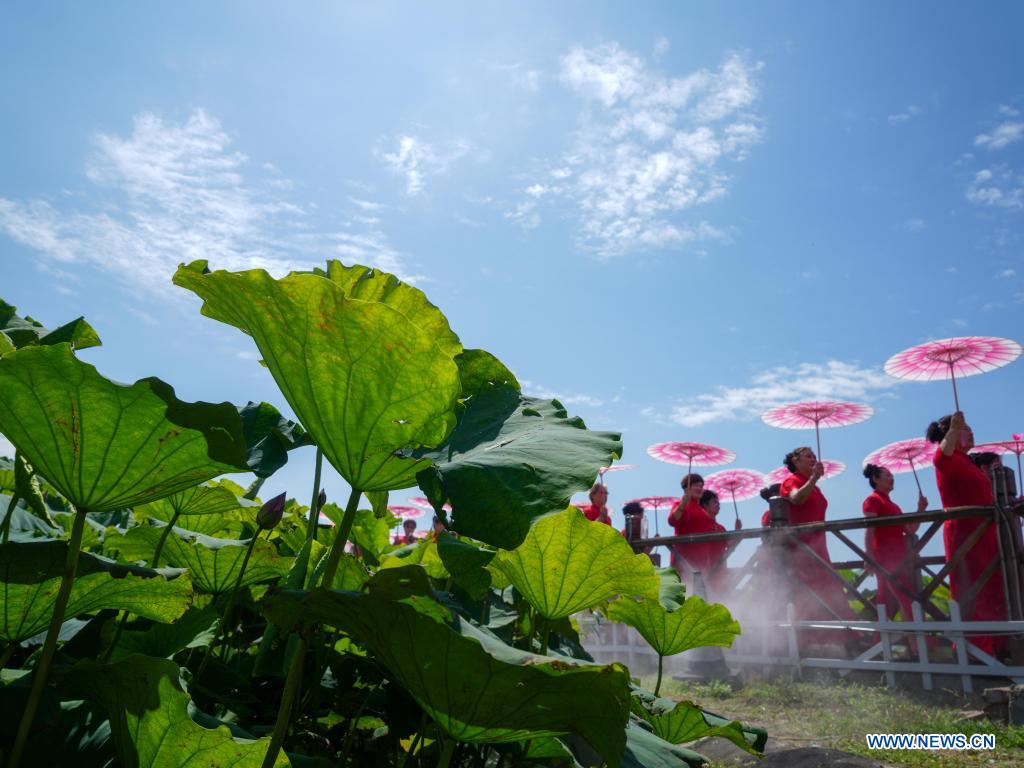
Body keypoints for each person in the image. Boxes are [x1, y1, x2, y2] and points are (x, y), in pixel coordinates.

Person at [927, 411, 1007, 656]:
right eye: (965, 428)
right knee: (971, 590)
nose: (970, 432)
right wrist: (953, 428)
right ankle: (974, 651)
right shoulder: (947, 459)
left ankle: (995, 646)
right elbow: (941, 456)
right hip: (965, 534)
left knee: (992, 587)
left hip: (984, 532)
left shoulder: (967, 461)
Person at [779, 447, 855, 637]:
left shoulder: (815, 486)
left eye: (814, 456)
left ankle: (841, 639)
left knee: (830, 591)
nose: (813, 458)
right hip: (801, 549)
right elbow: (796, 499)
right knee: (809, 595)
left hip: (819, 547)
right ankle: (812, 642)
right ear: (796, 462)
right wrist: (814, 479)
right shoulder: (791, 481)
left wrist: (813, 481)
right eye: (808, 456)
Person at [862, 464, 924, 622]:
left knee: (886, 603)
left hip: (897, 558)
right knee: (905, 600)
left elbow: (910, 530)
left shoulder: (894, 505)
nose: (892, 478)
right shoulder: (872, 500)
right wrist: (868, 556)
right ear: (876, 479)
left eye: (892, 476)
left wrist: (920, 509)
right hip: (885, 558)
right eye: (887, 475)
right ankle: (918, 644)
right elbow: (869, 529)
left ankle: (879, 642)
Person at [668, 474, 722, 581]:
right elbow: (672, 520)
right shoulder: (679, 504)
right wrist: (682, 504)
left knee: (702, 594)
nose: (700, 488)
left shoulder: (702, 510)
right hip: (684, 560)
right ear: (687, 487)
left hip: (702, 562)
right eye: (696, 485)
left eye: (701, 486)